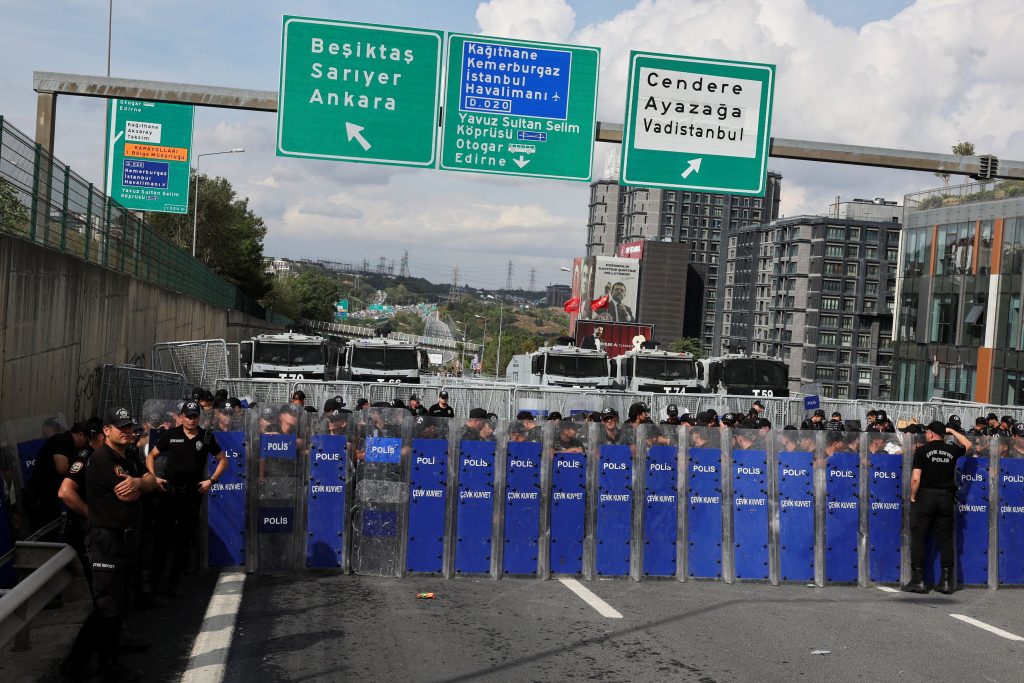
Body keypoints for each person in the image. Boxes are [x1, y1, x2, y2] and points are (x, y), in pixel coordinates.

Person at [61, 408, 161, 681]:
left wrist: (140, 480)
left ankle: (97, 661)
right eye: (121, 427)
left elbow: (150, 480)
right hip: (107, 540)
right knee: (107, 607)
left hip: (126, 540)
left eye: (129, 427)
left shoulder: (127, 456)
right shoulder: (102, 460)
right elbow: (129, 496)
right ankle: (94, 664)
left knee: (120, 603)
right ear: (107, 431)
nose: (128, 431)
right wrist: (139, 487)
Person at [146, 401, 227, 598]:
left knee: (184, 539)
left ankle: (175, 583)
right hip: (169, 492)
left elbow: (223, 460)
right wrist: (153, 477)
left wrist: (211, 481)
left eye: (194, 416)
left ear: (199, 417)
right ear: (181, 416)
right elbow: (151, 456)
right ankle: (156, 584)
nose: (191, 420)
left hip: (192, 494)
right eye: (188, 416)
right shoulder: (170, 435)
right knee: (163, 538)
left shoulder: (206, 436)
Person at [901, 420, 973, 595]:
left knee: (919, 537)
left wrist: (912, 496)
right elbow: (968, 444)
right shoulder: (951, 450)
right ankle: (947, 582)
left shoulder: (922, 451)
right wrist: (951, 431)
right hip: (946, 498)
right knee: (946, 539)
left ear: (931, 434)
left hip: (926, 496)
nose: (926, 434)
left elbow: (916, 478)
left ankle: (919, 581)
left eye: (927, 432)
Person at [26, 420, 88, 535]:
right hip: (41, 497)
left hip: (48, 496)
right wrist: (82, 466)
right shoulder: (62, 440)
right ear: (81, 435)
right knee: (44, 534)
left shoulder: (67, 443)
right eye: (86, 440)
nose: (85, 445)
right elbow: (62, 467)